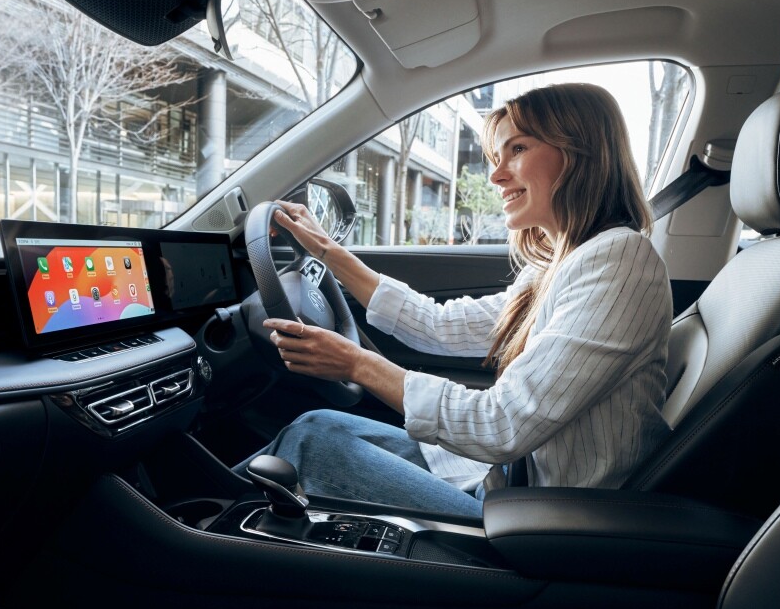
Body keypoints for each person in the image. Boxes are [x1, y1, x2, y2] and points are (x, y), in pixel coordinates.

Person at [252, 83, 672, 517]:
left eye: (518, 149)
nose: (496, 175)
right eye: (497, 156)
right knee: (315, 425)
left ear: (580, 153)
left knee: (311, 443)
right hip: (511, 486)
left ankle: (204, 527)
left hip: (550, 521)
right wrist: (326, 249)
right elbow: (439, 325)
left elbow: (502, 423)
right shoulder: (560, 264)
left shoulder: (618, 260)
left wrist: (357, 364)